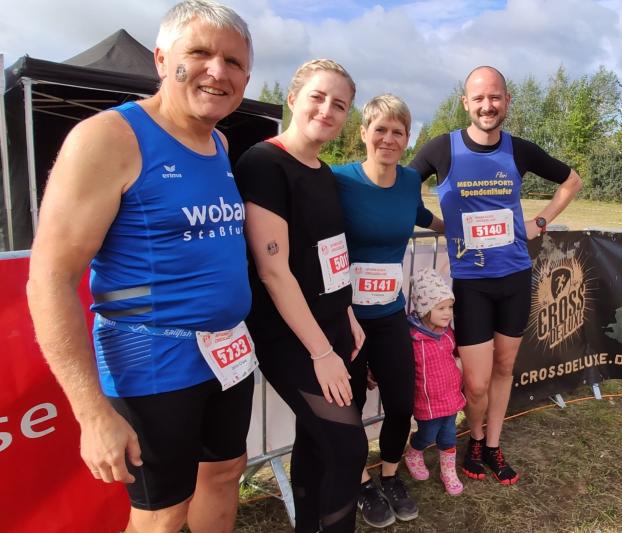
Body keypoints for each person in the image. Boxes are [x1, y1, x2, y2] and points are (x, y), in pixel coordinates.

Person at [26, 2, 255, 531]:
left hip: (226, 354)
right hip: (151, 362)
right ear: (161, 59)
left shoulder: (219, 142)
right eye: (200, 53)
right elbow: (50, 279)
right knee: (161, 514)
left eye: (234, 61)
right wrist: (90, 413)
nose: (217, 71)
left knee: (225, 473)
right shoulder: (108, 138)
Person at [410, 65, 582, 485]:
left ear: (506, 101)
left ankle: (490, 445)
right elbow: (401, 192)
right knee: (476, 382)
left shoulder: (518, 150)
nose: (487, 106)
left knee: (504, 368)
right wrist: (440, 225)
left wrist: (539, 222)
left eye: (495, 97)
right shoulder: (442, 149)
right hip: (471, 285)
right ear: (465, 103)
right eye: (479, 98)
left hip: (515, 278)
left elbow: (571, 181)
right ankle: (474, 436)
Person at [234, 59, 368, 533]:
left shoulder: (323, 172)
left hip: (333, 324)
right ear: (293, 99)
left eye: (339, 105)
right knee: (347, 448)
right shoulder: (263, 163)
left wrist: (347, 313)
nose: (327, 110)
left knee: (317, 443)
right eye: (318, 97)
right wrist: (322, 351)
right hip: (292, 335)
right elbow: (274, 271)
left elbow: (328, 253)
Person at [331, 94, 444, 528]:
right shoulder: (339, 179)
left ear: (407, 138)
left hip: (389, 313)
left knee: (400, 402)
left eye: (398, 131)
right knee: (352, 406)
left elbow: (420, 215)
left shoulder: (410, 180)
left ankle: (391, 476)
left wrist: (463, 229)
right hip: (345, 316)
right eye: (380, 129)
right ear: (363, 133)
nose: (389, 139)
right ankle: (360, 483)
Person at [404, 268, 466, 496]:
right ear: (424, 308)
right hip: (427, 402)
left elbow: (455, 354)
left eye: (450, 307)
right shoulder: (412, 339)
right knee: (428, 434)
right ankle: (414, 452)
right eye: (441, 308)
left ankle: (448, 471)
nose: (448, 313)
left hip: (450, 396)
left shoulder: (448, 333)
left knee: (449, 435)